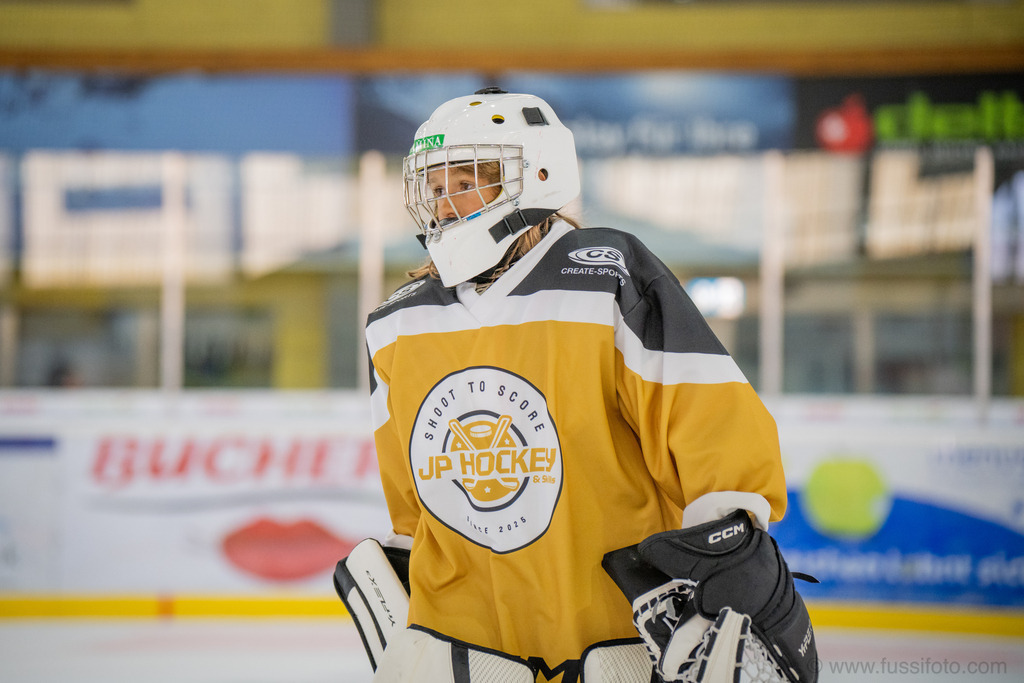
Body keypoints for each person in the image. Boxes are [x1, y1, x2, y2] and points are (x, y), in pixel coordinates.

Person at [342, 88, 817, 683]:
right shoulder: (396, 324)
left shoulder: (606, 277)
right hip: (471, 649)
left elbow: (703, 415)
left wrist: (731, 543)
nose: (444, 202)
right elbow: (414, 498)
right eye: (434, 187)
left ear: (535, 174)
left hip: (615, 641)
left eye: (464, 180)